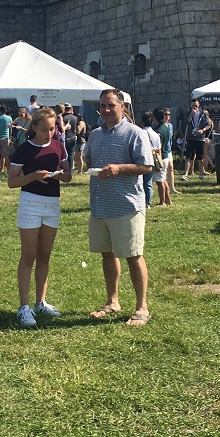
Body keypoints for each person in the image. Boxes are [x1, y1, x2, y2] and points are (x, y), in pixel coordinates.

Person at [84, 88, 154, 326]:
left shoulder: (134, 133)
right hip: (100, 204)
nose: (105, 110)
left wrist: (119, 169)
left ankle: (142, 307)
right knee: (107, 254)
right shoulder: (95, 134)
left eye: (110, 106)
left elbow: (146, 167)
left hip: (127, 205)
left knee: (133, 255)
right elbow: (89, 160)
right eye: (102, 106)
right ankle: (112, 301)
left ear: (122, 107)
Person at [8, 107, 71, 327]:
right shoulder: (24, 149)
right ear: (33, 127)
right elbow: (12, 181)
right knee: (28, 256)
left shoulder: (58, 146)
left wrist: (62, 175)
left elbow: (69, 175)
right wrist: (33, 176)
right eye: (44, 129)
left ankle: (40, 302)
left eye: (52, 129)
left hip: (52, 204)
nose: (49, 133)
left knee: (45, 256)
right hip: (30, 204)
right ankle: (23, 307)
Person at [182, 99, 212, 181]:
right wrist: (190, 116)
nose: (194, 107)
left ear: (198, 105)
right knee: (188, 156)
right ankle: (185, 174)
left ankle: (201, 173)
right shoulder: (188, 112)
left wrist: (203, 130)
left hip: (200, 137)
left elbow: (208, 124)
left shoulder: (203, 113)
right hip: (191, 137)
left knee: (200, 157)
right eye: (192, 105)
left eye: (195, 105)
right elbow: (185, 123)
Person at [140, 111, 161, 208]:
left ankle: (141, 200)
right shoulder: (155, 134)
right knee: (148, 182)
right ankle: (148, 202)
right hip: (153, 156)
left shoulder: (140, 133)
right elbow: (158, 149)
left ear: (142, 122)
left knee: (140, 181)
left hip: (142, 157)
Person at [153, 108, 172, 206]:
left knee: (159, 181)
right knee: (163, 179)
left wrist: (158, 162)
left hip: (160, 157)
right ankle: (168, 199)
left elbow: (158, 147)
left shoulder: (158, 130)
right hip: (166, 156)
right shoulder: (165, 127)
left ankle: (162, 201)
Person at [0, 105, 13, 172]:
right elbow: (10, 129)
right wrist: (10, 137)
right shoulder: (9, 118)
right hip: (5, 138)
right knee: (6, 155)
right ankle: (8, 169)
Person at [62, 103, 79, 170]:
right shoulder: (75, 118)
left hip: (66, 138)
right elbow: (77, 128)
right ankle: (71, 169)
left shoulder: (63, 118)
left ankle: (65, 169)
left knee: (65, 155)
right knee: (71, 155)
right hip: (73, 138)